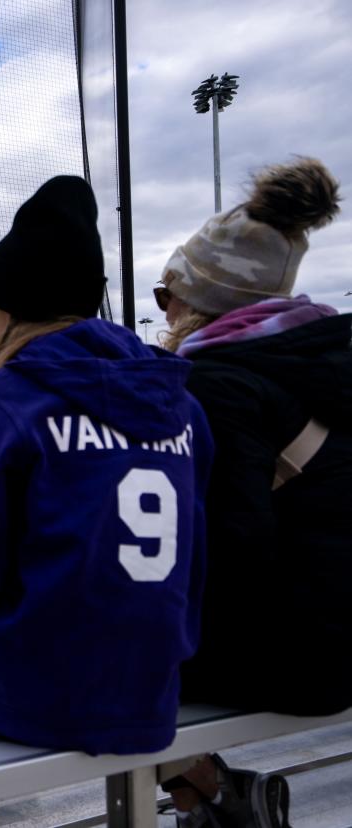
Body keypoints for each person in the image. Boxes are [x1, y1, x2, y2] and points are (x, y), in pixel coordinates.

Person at [0, 177, 212, 828]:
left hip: (35, 698)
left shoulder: (2, 399)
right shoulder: (181, 403)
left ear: (17, 308)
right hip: (152, 694)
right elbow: (194, 570)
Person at [155, 157, 345, 826]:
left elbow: (236, 547)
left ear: (203, 301)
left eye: (165, 292)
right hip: (333, 637)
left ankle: (209, 791)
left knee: (95, 655)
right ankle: (205, 797)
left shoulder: (218, 385)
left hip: (306, 661)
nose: (164, 308)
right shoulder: (316, 360)